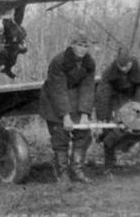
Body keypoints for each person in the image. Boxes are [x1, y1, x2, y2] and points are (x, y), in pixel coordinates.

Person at [38, 31, 96, 183]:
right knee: (60, 135)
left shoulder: (89, 63)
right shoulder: (59, 61)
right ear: (72, 45)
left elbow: (88, 88)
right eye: (79, 45)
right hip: (53, 101)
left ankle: (77, 170)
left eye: (85, 46)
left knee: (83, 133)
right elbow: (58, 90)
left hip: (75, 99)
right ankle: (62, 173)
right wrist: (65, 116)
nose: (82, 49)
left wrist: (84, 114)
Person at [96, 48, 140, 175]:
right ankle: (109, 165)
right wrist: (103, 116)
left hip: (139, 99)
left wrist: (133, 114)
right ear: (116, 62)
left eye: (127, 65)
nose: (124, 69)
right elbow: (103, 94)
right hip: (117, 98)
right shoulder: (109, 72)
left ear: (132, 62)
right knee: (110, 129)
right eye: (121, 66)